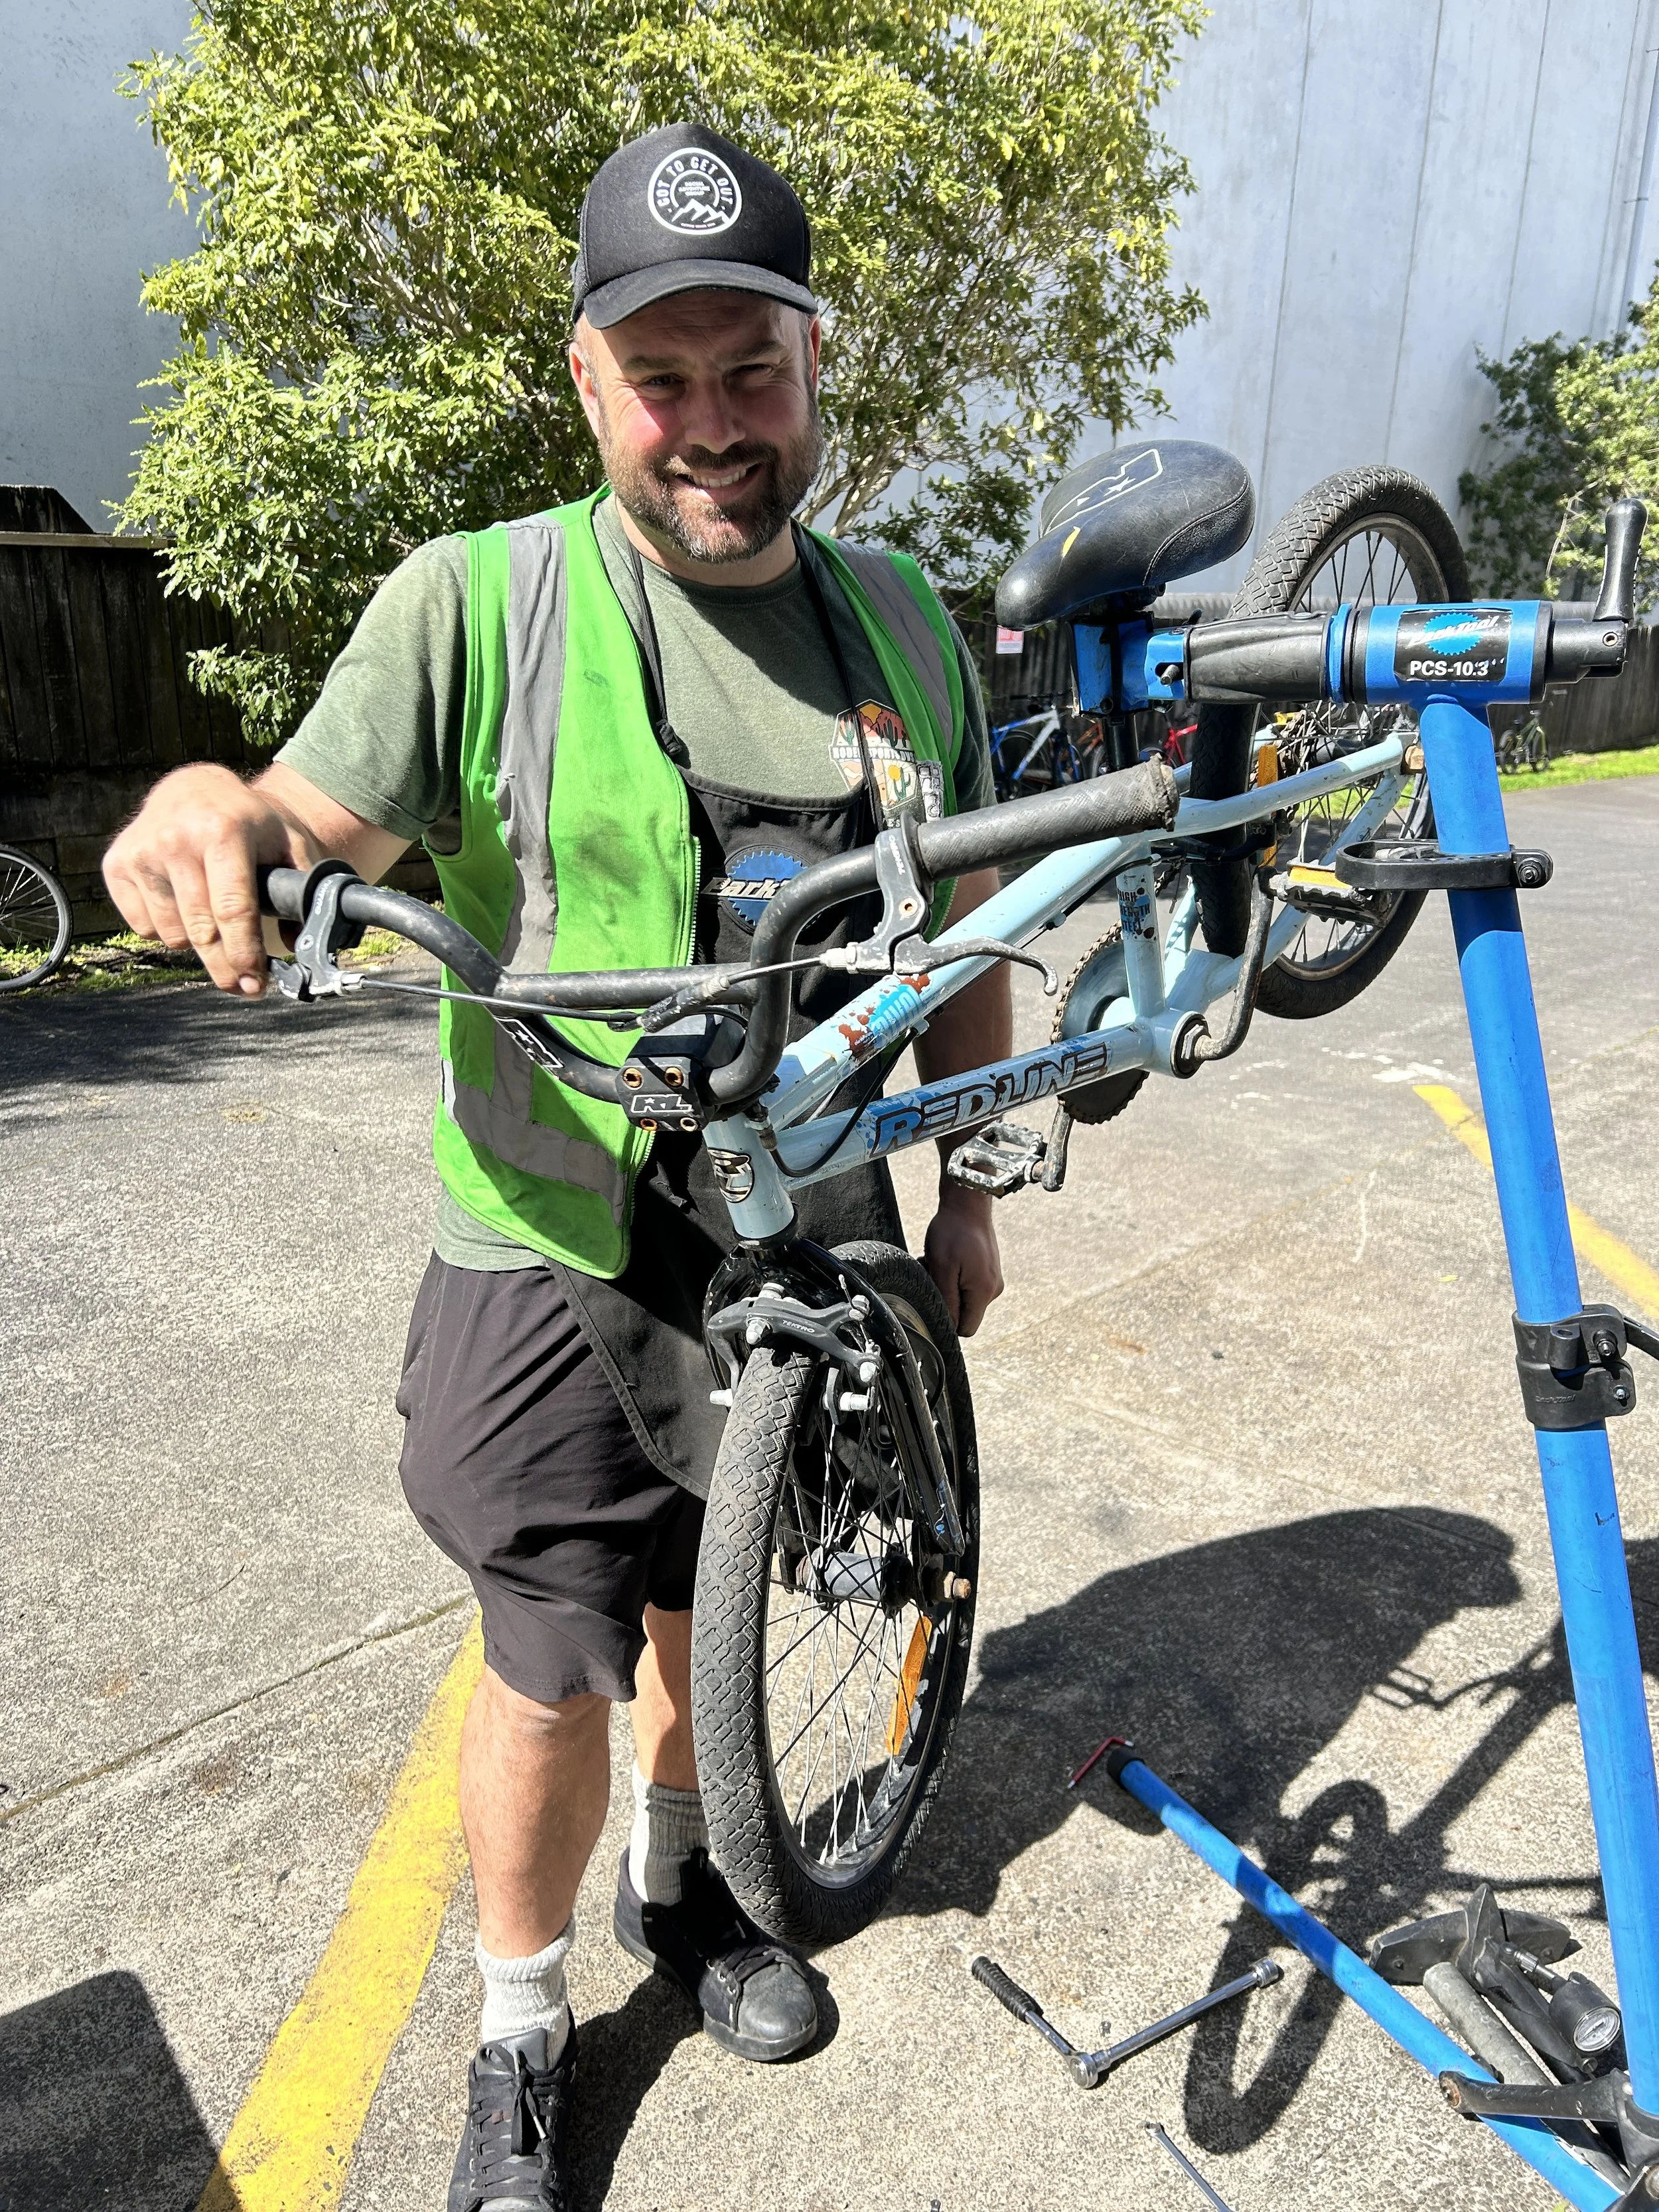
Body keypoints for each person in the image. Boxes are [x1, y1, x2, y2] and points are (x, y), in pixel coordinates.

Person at [105, 121, 1011, 2211]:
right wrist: (196, 807)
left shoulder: (906, 628)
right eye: (661, 379)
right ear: (588, 383)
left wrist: (963, 1193)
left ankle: (683, 1893)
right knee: (542, 1661)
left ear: (812, 364)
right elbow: (290, 811)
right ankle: (518, 2026)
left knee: (724, 1598)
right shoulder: (474, 601)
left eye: (751, 372)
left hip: (812, 1235)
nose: (712, 427)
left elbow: (966, 938)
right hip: (551, 1242)